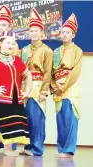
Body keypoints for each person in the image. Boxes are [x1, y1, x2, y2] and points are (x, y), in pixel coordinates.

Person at [20, 8, 53, 156]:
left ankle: (37, 148)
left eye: (36, 30)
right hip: (24, 87)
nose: (33, 33)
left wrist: (44, 91)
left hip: (38, 86)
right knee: (26, 118)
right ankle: (28, 146)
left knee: (37, 119)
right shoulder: (24, 49)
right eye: (31, 30)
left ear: (42, 33)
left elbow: (48, 72)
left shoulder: (47, 50)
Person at [0, 5, 19, 151]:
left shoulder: (14, 44)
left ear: (10, 25)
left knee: (12, 117)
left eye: (4, 24)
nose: (1, 27)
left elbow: (18, 65)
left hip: (12, 85)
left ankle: (10, 146)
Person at [51, 13, 82, 158]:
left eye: (67, 32)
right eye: (62, 32)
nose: (64, 35)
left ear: (73, 34)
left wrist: (63, 87)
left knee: (70, 119)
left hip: (70, 89)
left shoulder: (77, 51)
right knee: (60, 119)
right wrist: (54, 87)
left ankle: (69, 149)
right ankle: (61, 148)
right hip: (57, 89)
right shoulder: (55, 52)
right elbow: (51, 71)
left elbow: (75, 72)